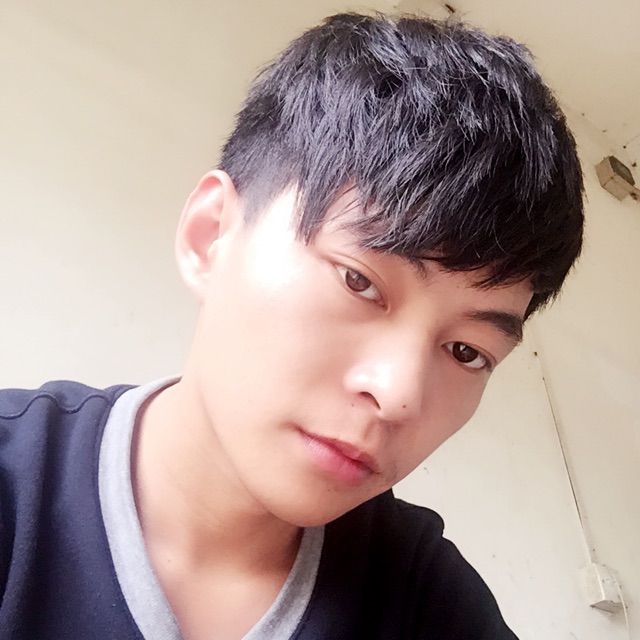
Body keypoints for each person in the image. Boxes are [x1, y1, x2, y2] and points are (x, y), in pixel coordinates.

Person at [0, 11, 583, 640]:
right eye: (358, 280)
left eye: (467, 351)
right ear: (211, 235)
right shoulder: (16, 487)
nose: (399, 395)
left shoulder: (427, 603)